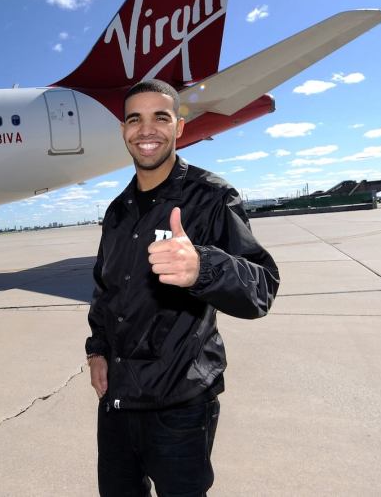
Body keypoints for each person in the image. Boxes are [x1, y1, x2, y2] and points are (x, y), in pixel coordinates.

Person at [85, 79, 280, 496]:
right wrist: (97, 349)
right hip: (117, 403)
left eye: (161, 117)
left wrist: (204, 267)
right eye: (134, 119)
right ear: (123, 131)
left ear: (179, 127)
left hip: (180, 403)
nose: (146, 129)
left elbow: (261, 289)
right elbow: (106, 291)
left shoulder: (210, 197)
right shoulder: (117, 211)